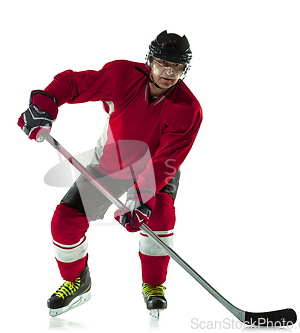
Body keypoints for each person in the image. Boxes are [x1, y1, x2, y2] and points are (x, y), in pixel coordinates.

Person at [17, 30, 202, 318]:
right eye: (162, 63)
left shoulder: (188, 110)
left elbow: (167, 159)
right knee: (65, 223)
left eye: (177, 66)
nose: (168, 72)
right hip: (109, 166)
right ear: (149, 60)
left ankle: (154, 285)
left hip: (157, 171)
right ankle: (78, 281)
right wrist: (47, 102)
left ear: (184, 70)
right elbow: (74, 83)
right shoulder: (122, 76)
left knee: (160, 216)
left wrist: (140, 197)